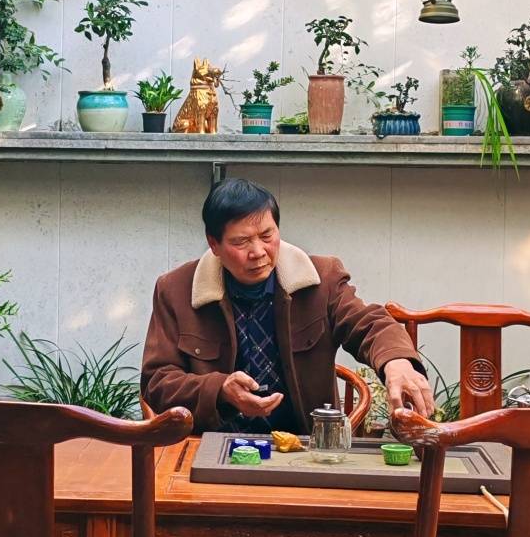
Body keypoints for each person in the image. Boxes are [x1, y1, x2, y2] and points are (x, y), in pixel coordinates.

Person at [141, 178, 434, 433]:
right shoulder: (176, 290)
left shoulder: (320, 279)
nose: (258, 252)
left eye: (267, 236)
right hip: (208, 444)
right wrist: (220, 390)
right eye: (241, 242)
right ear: (214, 244)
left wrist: (396, 361)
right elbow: (156, 382)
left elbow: (368, 322)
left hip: (305, 446)